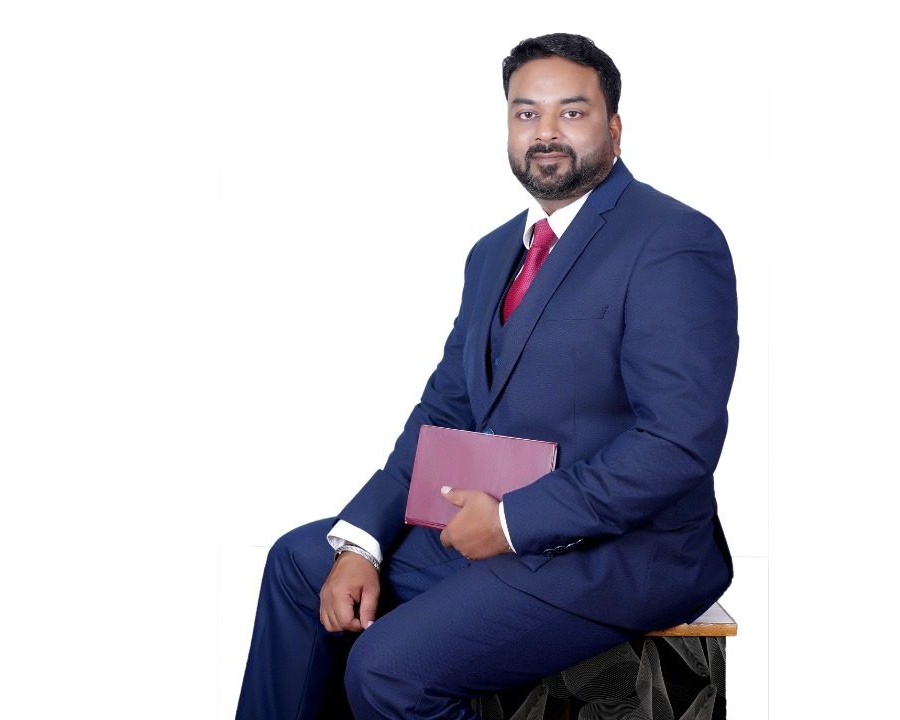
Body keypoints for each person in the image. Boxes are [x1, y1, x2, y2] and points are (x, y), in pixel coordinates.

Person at [236, 33, 738, 720]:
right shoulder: (494, 253)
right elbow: (445, 409)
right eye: (526, 113)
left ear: (615, 128)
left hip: (624, 553)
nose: (546, 132)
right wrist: (364, 540)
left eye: (572, 112)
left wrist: (511, 521)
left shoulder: (673, 240)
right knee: (300, 561)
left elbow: (677, 443)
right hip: (495, 524)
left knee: (387, 670)